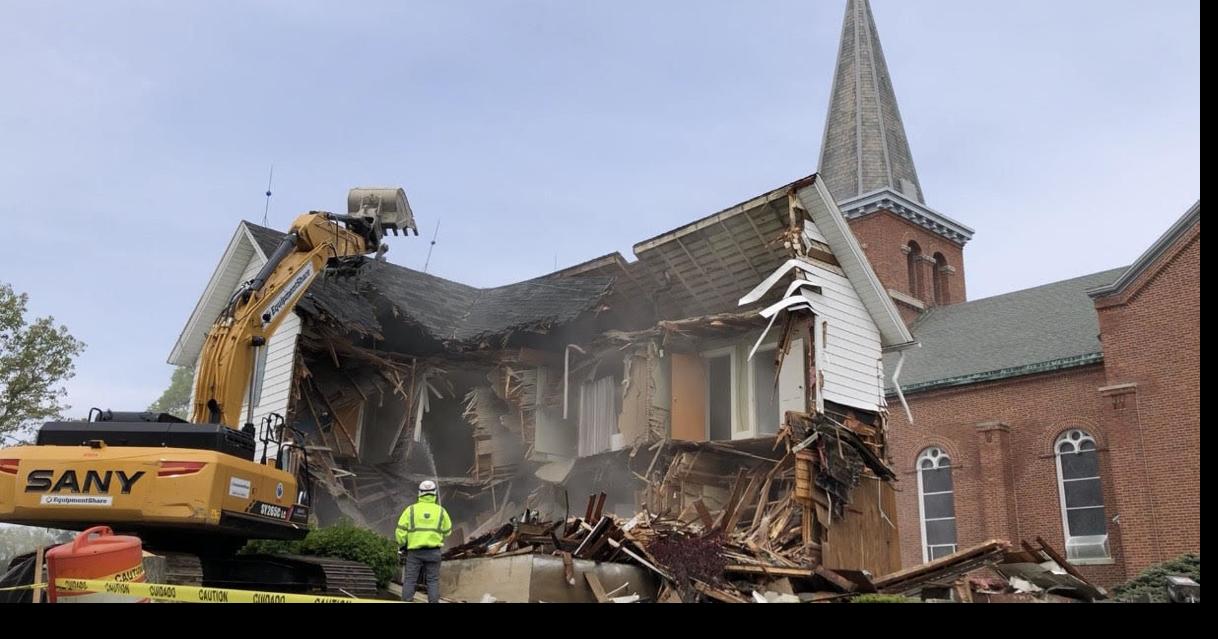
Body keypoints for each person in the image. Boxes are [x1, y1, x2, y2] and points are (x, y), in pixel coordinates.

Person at [395, 479, 452, 603]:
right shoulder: (441, 511)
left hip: (415, 553)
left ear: (420, 493)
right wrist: (437, 537)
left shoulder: (410, 510)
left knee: (410, 580)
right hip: (434, 552)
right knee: (432, 581)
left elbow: (400, 531)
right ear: (435, 493)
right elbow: (448, 531)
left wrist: (403, 544)